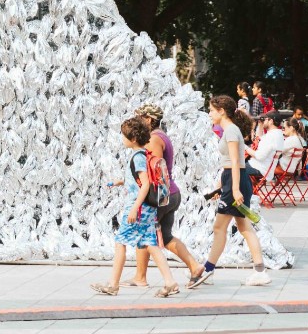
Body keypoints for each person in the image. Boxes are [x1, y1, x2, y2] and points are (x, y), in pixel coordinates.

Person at [91, 117, 180, 298]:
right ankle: (170, 282)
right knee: (151, 245)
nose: (121, 139)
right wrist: (121, 181)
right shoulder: (144, 154)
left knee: (120, 242)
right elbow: (139, 179)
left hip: (138, 208)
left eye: (123, 136)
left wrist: (134, 209)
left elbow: (145, 185)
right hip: (149, 208)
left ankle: (113, 284)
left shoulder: (137, 157)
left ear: (132, 139)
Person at [189, 96, 271, 288]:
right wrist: (222, 185)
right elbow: (229, 163)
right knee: (243, 227)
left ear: (221, 111)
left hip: (237, 180)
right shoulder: (230, 130)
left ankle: (208, 268)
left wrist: (233, 189)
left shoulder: (232, 131)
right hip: (232, 179)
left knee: (219, 227)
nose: (209, 114)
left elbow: (236, 161)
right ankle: (260, 271)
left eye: (211, 110)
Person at [123, 104, 199, 287]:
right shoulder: (161, 136)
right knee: (165, 236)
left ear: (149, 119)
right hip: (171, 194)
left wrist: (139, 193)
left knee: (144, 232)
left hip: (161, 196)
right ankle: (195, 267)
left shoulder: (154, 139)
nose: (137, 122)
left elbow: (153, 170)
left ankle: (140, 278)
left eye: (140, 118)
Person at [248, 113, 285, 178]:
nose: (263, 121)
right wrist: (260, 126)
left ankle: (243, 188)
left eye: (265, 119)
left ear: (271, 121)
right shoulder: (278, 134)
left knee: (232, 166)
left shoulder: (270, 136)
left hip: (259, 167)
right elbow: (258, 140)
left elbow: (259, 156)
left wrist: (244, 147)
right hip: (266, 168)